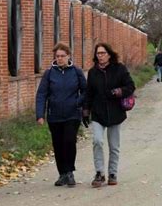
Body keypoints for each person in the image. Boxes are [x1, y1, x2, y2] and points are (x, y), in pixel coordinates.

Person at [83, 43, 136, 188]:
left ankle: (113, 173)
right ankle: (99, 173)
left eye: (103, 53)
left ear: (109, 54)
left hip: (115, 112)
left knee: (114, 146)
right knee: (97, 141)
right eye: (98, 54)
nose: (100, 56)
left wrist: (118, 91)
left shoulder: (119, 69)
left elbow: (130, 86)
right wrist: (86, 110)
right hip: (98, 113)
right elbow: (89, 93)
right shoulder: (93, 72)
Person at [36, 42, 87, 187]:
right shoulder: (49, 73)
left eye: (62, 56)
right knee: (58, 145)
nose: (60, 59)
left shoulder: (76, 71)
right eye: (57, 56)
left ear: (68, 56)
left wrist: (78, 102)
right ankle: (62, 174)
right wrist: (40, 114)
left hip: (72, 114)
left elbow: (85, 90)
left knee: (69, 141)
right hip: (55, 115)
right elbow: (41, 94)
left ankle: (70, 172)